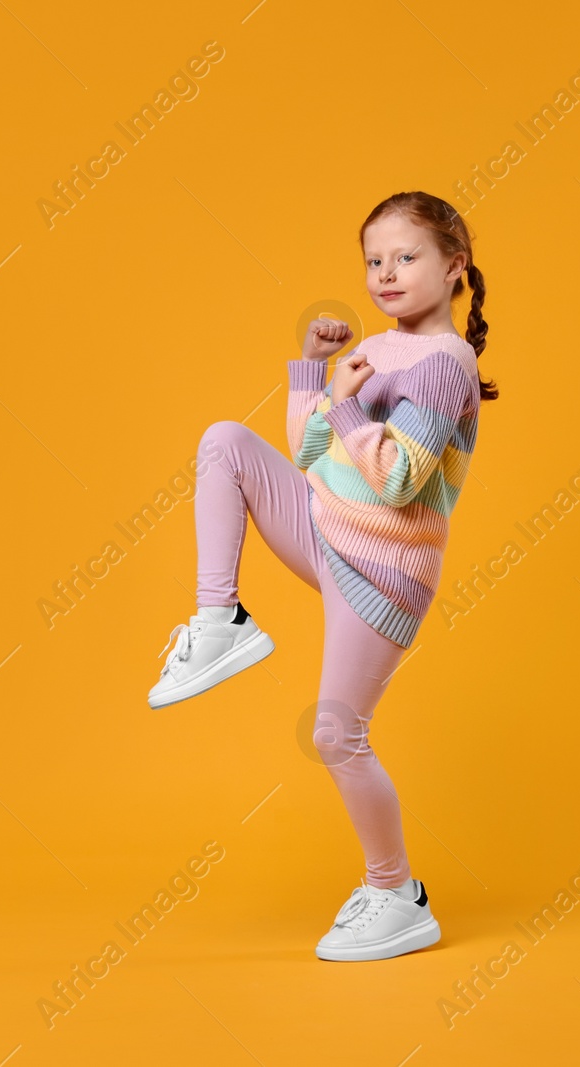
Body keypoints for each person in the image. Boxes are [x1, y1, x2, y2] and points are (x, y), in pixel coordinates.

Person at [147, 191, 498, 961]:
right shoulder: (379, 346)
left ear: (454, 267)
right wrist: (313, 368)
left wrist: (344, 405)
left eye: (406, 257)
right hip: (324, 525)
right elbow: (307, 453)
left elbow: (401, 479)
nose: (386, 274)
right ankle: (220, 620)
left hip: (382, 568)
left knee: (338, 734)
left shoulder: (446, 365)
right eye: (374, 261)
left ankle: (397, 893)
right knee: (225, 443)